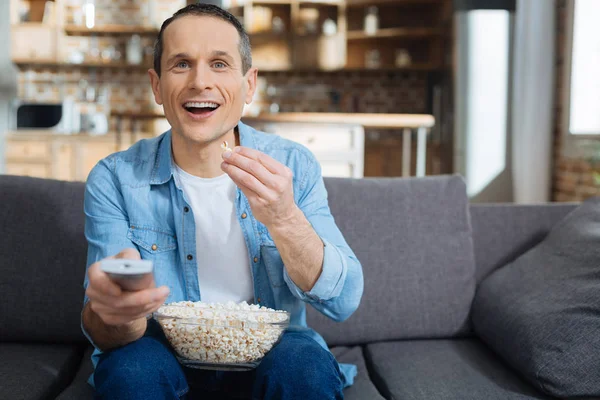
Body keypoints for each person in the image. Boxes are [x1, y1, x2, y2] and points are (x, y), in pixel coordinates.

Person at [81, 3, 364, 399]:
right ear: (157, 85)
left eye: (219, 64)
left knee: (305, 369)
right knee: (129, 372)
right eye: (181, 64)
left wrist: (285, 219)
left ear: (249, 84)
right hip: (160, 345)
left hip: (273, 345)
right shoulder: (114, 178)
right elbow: (108, 330)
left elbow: (344, 301)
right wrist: (118, 313)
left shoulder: (293, 164)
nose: (200, 81)